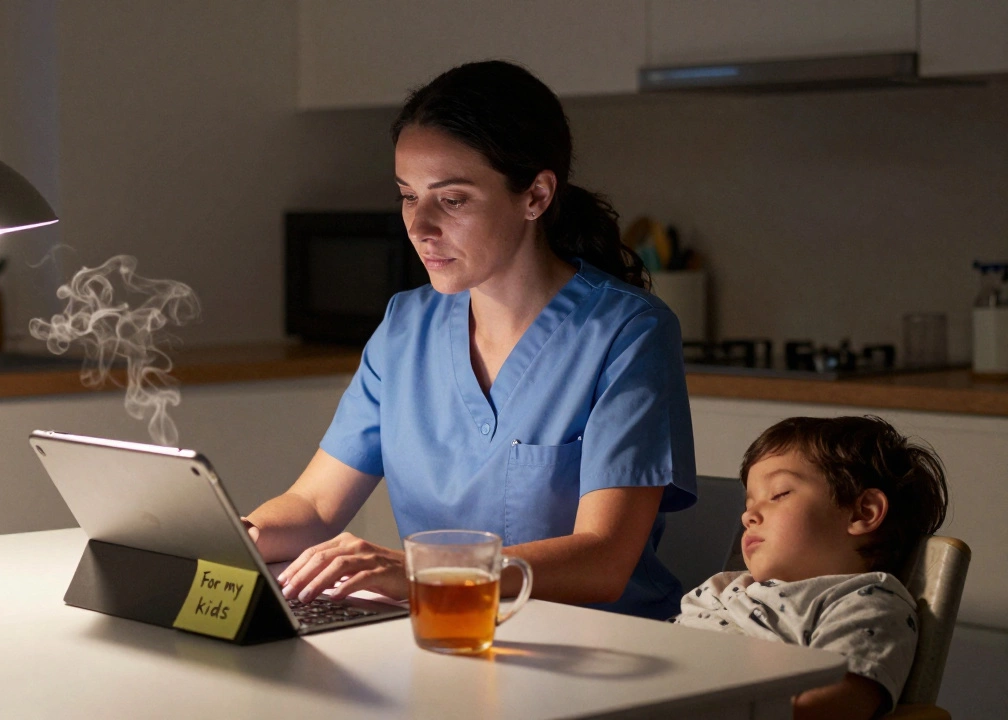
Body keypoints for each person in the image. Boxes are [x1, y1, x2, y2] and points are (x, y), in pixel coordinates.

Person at [244, 60, 697, 620]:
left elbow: (603, 561)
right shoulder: (405, 327)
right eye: (408, 196)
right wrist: (231, 535)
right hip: (448, 635)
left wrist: (421, 573)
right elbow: (313, 504)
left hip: (598, 649)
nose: (419, 226)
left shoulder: (628, 332)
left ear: (536, 195)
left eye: (452, 200)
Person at [673, 416, 949, 719]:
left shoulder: (867, 602)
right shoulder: (723, 588)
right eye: (748, 504)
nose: (748, 516)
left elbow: (831, 706)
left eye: (778, 494)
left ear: (863, 512)